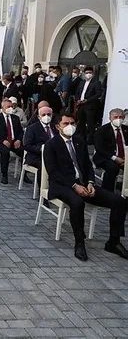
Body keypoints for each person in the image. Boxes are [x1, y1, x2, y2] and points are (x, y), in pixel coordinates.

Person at [45, 112, 128, 261]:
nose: (70, 126)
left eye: (72, 123)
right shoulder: (51, 145)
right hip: (63, 185)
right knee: (77, 203)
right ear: (58, 127)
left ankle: (114, 242)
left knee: (120, 201)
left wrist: (90, 182)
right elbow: (53, 172)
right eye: (66, 124)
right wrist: (74, 185)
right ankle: (79, 242)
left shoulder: (79, 141)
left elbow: (88, 165)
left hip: (84, 183)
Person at [0, 99, 24, 184]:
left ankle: (24, 174)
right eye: (8, 107)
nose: (10, 108)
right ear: (2, 108)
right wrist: (3, 140)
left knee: (24, 151)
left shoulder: (16, 118)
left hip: (13, 142)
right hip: (0, 142)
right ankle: (4, 174)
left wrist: (18, 140)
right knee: (5, 152)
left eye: (11, 107)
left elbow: (21, 131)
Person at [93, 109, 127, 192]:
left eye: (120, 117)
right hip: (105, 157)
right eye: (115, 117)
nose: (118, 119)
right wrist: (115, 158)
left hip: (125, 157)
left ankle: (125, 190)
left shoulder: (126, 129)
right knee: (112, 168)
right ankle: (107, 193)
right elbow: (100, 148)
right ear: (110, 118)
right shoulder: (102, 130)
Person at [23, 106, 56, 185]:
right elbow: (27, 145)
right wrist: (41, 149)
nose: (46, 116)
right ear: (38, 117)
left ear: (52, 115)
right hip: (36, 156)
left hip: (54, 155)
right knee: (45, 165)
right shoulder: (32, 128)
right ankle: (42, 188)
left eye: (49, 114)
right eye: (43, 115)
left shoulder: (56, 127)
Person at [75, 66, 103, 144]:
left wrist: (87, 100)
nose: (88, 74)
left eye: (90, 73)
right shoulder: (82, 82)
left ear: (92, 73)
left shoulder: (96, 82)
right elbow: (77, 92)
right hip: (81, 105)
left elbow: (98, 94)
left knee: (90, 123)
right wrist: (77, 100)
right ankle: (82, 138)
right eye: (86, 73)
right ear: (84, 74)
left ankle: (90, 139)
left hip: (90, 106)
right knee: (81, 122)